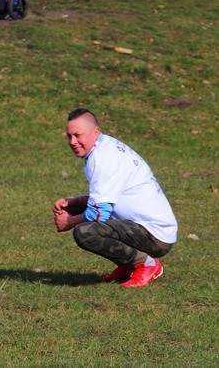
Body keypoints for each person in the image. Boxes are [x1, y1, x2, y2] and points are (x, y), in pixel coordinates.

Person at [53, 108, 178, 288]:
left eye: (78, 135)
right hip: (144, 226)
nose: (73, 142)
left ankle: (147, 265)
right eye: (69, 136)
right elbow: (106, 194)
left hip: (155, 235)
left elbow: (99, 214)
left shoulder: (104, 159)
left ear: (96, 132)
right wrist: (76, 202)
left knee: (85, 232)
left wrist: (70, 221)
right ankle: (128, 266)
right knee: (78, 211)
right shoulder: (104, 148)